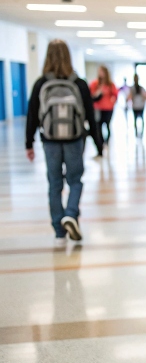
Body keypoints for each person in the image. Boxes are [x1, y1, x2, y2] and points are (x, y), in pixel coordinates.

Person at [25, 39, 102, 246]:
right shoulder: (79, 83)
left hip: (50, 140)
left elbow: (32, 114)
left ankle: (59, 230)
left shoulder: (41, 83)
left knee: (54, 184)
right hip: (75, 139)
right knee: (75, 180)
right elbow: (89, 115)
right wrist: (98, 143)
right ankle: (71, 214)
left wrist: (28, 143)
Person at [89, 65, 117, 146]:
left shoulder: (110, 84)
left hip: (108, 108)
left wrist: (112, 101)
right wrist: (99, 92)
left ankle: (107, 142)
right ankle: (101, 143)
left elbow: (115, 95)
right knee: (99, 126)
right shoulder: (95, 84)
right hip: (98, 108)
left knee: (107, 125)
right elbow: (91, 95)